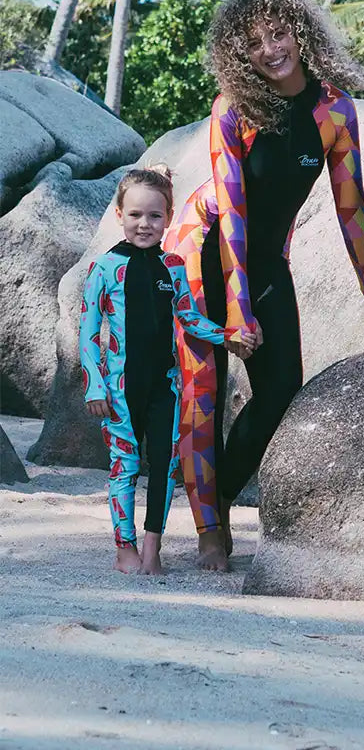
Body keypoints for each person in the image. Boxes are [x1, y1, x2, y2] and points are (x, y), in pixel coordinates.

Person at [165, 0, 364, 571]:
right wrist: (234, 312)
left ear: (301, 32)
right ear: (238, 54)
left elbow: (352, 213)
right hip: (202, 253)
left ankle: (217, 494)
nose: (270, 49)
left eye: (278, 33)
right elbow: (232, 215)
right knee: (203, 390)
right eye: (254, 42)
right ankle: (210, 530)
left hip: (264, 259)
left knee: (282, 385)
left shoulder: (334, 111)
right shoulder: (233, 110)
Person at [79, 167, 255, 575]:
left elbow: (188, 317)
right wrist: (94, 387)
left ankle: (152, 549)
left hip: (165, 386)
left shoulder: (173, 266)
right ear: (119, 214)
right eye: (136, 215)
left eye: (155, 216)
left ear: (169, 217)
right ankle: (125, 547)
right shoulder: (103, 269)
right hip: (120, 388)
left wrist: (227, 335)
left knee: (163, 464)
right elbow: (89, 331)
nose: (145, 224)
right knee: (125, 465)